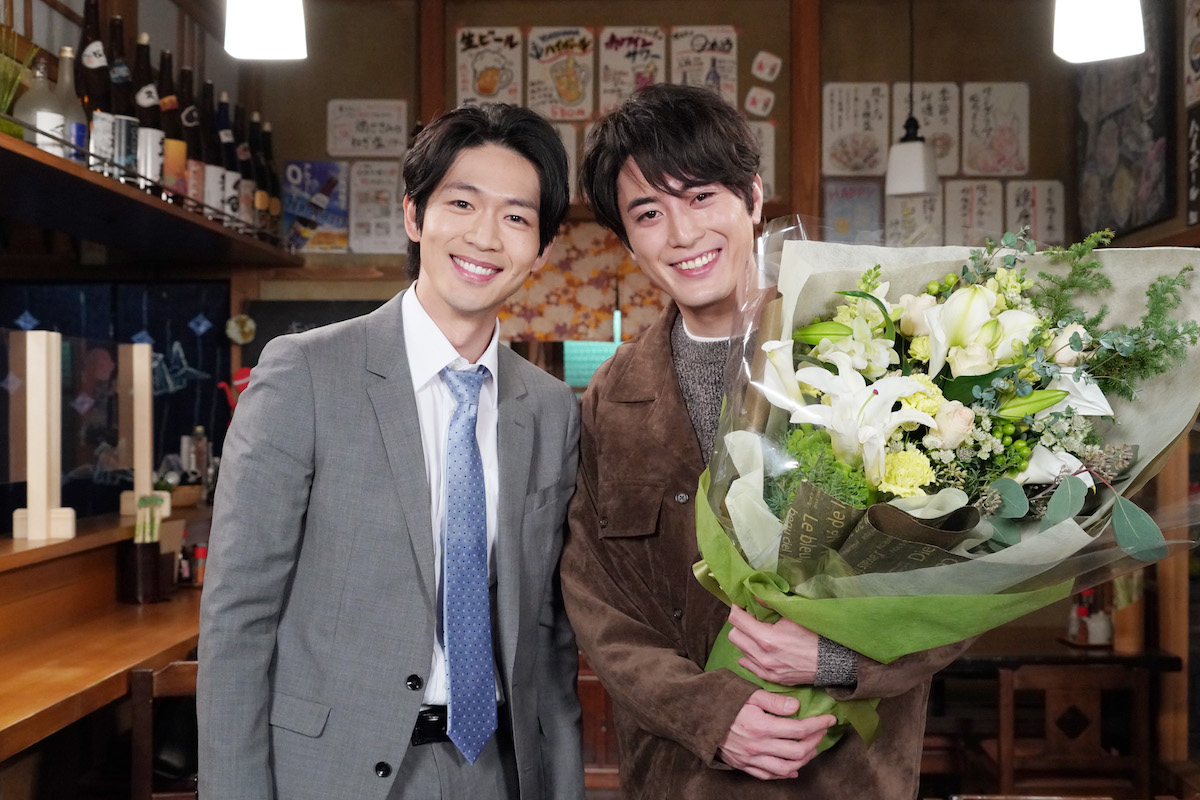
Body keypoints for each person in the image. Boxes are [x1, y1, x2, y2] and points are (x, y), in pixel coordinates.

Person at [561, 83, 970, 799]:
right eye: (648, 213)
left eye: (700, 197)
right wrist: (711, 713)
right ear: (627, 239)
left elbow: (963, 571)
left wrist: (837, 659)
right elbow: (596, 599)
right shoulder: (609, 400)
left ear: (752, 197)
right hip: (679, 776)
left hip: (846, 776)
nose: (682, 233)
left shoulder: (871, 352)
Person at [198, 103, 584, 800]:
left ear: (541, 250)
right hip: (331, 773)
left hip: (496, 770)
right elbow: (237, 618)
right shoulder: (305, 374)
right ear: (414, 215)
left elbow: (548, 638)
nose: (484, 235)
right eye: (461, 203)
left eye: (516, 217)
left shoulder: (552, 410)